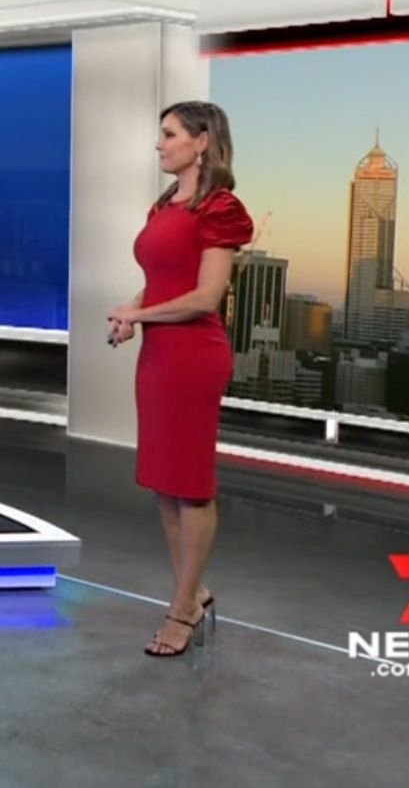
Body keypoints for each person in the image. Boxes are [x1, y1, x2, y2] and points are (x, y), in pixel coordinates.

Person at [107, 101, 254, 657]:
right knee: (166, 484)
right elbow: (163, 279)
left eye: (169, 134)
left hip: (193, 356)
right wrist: (131, 311)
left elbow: (205, 297)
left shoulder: (219, 208)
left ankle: (181, 611)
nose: (159, 143)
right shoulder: (164, 205)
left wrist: (142, 314)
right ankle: (191, 595)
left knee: (190, 486)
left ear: (202, 141)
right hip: (158, 356)